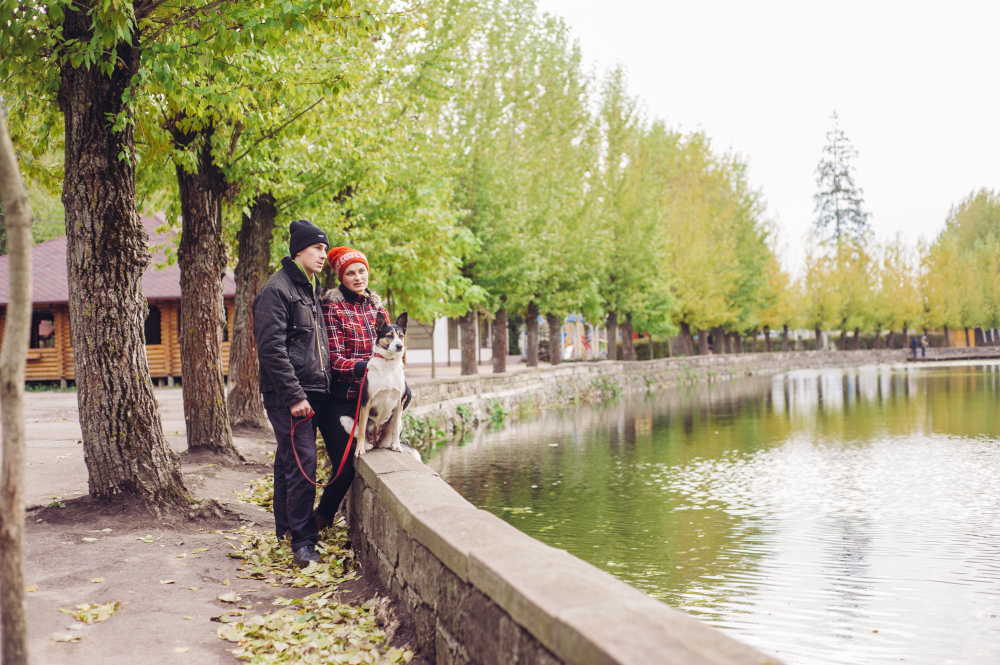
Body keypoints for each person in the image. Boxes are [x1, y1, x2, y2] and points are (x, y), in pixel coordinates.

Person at [314, 246, 411, 530]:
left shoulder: (377, 309)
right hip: (341, 399)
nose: (358, 277)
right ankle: (320, 521)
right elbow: (333, 360)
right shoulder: (332, 308)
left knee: (406, 394)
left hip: (376, 393)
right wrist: (362, 368)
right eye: (350, 273)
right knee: (345, 469)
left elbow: (393, 350)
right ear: (341, 277)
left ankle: (389, 438)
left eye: (362, 271)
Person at [253, 219, 330, 567]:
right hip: (289, 394)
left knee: (289, 461)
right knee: (303, 464)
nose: (323, 255)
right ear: (298, 250)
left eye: (326, 249)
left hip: (310, 389)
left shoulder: (307, 287)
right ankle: (303, 542)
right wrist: (295, 396)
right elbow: (271, 349)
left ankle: (286, 530)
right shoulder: (278, 289)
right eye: (317, 248)